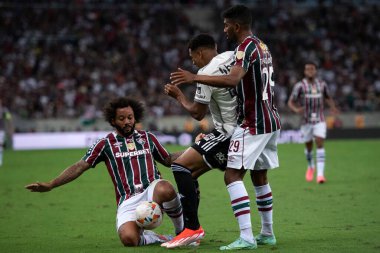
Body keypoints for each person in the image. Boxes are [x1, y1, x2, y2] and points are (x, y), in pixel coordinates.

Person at [170, 5, 281, 250]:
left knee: (232, 175)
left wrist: (194, 77)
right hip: (271, 119)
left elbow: (232, 80)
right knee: (259, 176)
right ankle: (267, 233)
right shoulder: (262, 46)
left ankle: (246, 237)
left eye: (226, 25)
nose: (224, 30)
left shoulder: (243, 48)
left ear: (236, 26)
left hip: (252, 122)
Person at [25, 97, 185, 247]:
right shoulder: (105, 144)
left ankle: (182, 232)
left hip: (152, 192)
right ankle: (158, 238)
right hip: (128, 200)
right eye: (122, 119)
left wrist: (194, 148)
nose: (127, 122)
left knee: (166, 187)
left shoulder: (147, 137)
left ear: (135, 117)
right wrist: (52, 184)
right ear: (113, 121)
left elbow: (168, 159)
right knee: (129, 239)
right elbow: (80, 166)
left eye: (130, 117)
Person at [162, 34, 238, 248]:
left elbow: (197, 113)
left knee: (179, 166)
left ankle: (192, 229)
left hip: (228, 134)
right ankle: (190, 229)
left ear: (200, 52)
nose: (192, 62)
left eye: (192, 57)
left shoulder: (204, 73)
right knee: (191, 172)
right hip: (245, 129)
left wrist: (179, 96)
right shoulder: (232, 58)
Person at [288, 62, 338, 183]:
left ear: (315, 71)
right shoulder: (300, 86)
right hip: (306, 120)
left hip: (319, 119)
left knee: (320, 142)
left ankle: (320, 175)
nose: (310, 71)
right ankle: (311, 166)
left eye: (312, 69)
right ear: (305, 72)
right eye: (307, 69)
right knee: (309, 147)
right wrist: (296, 109)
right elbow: (291, 101)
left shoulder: (322, 84)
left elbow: (328, 97)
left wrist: (333, 107)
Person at [0, 99, 13, 167]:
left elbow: (9, 118)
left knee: (0, 145)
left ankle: (0, 160)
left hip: (1, 130)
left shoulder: (4, 110)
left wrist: (10, 129)